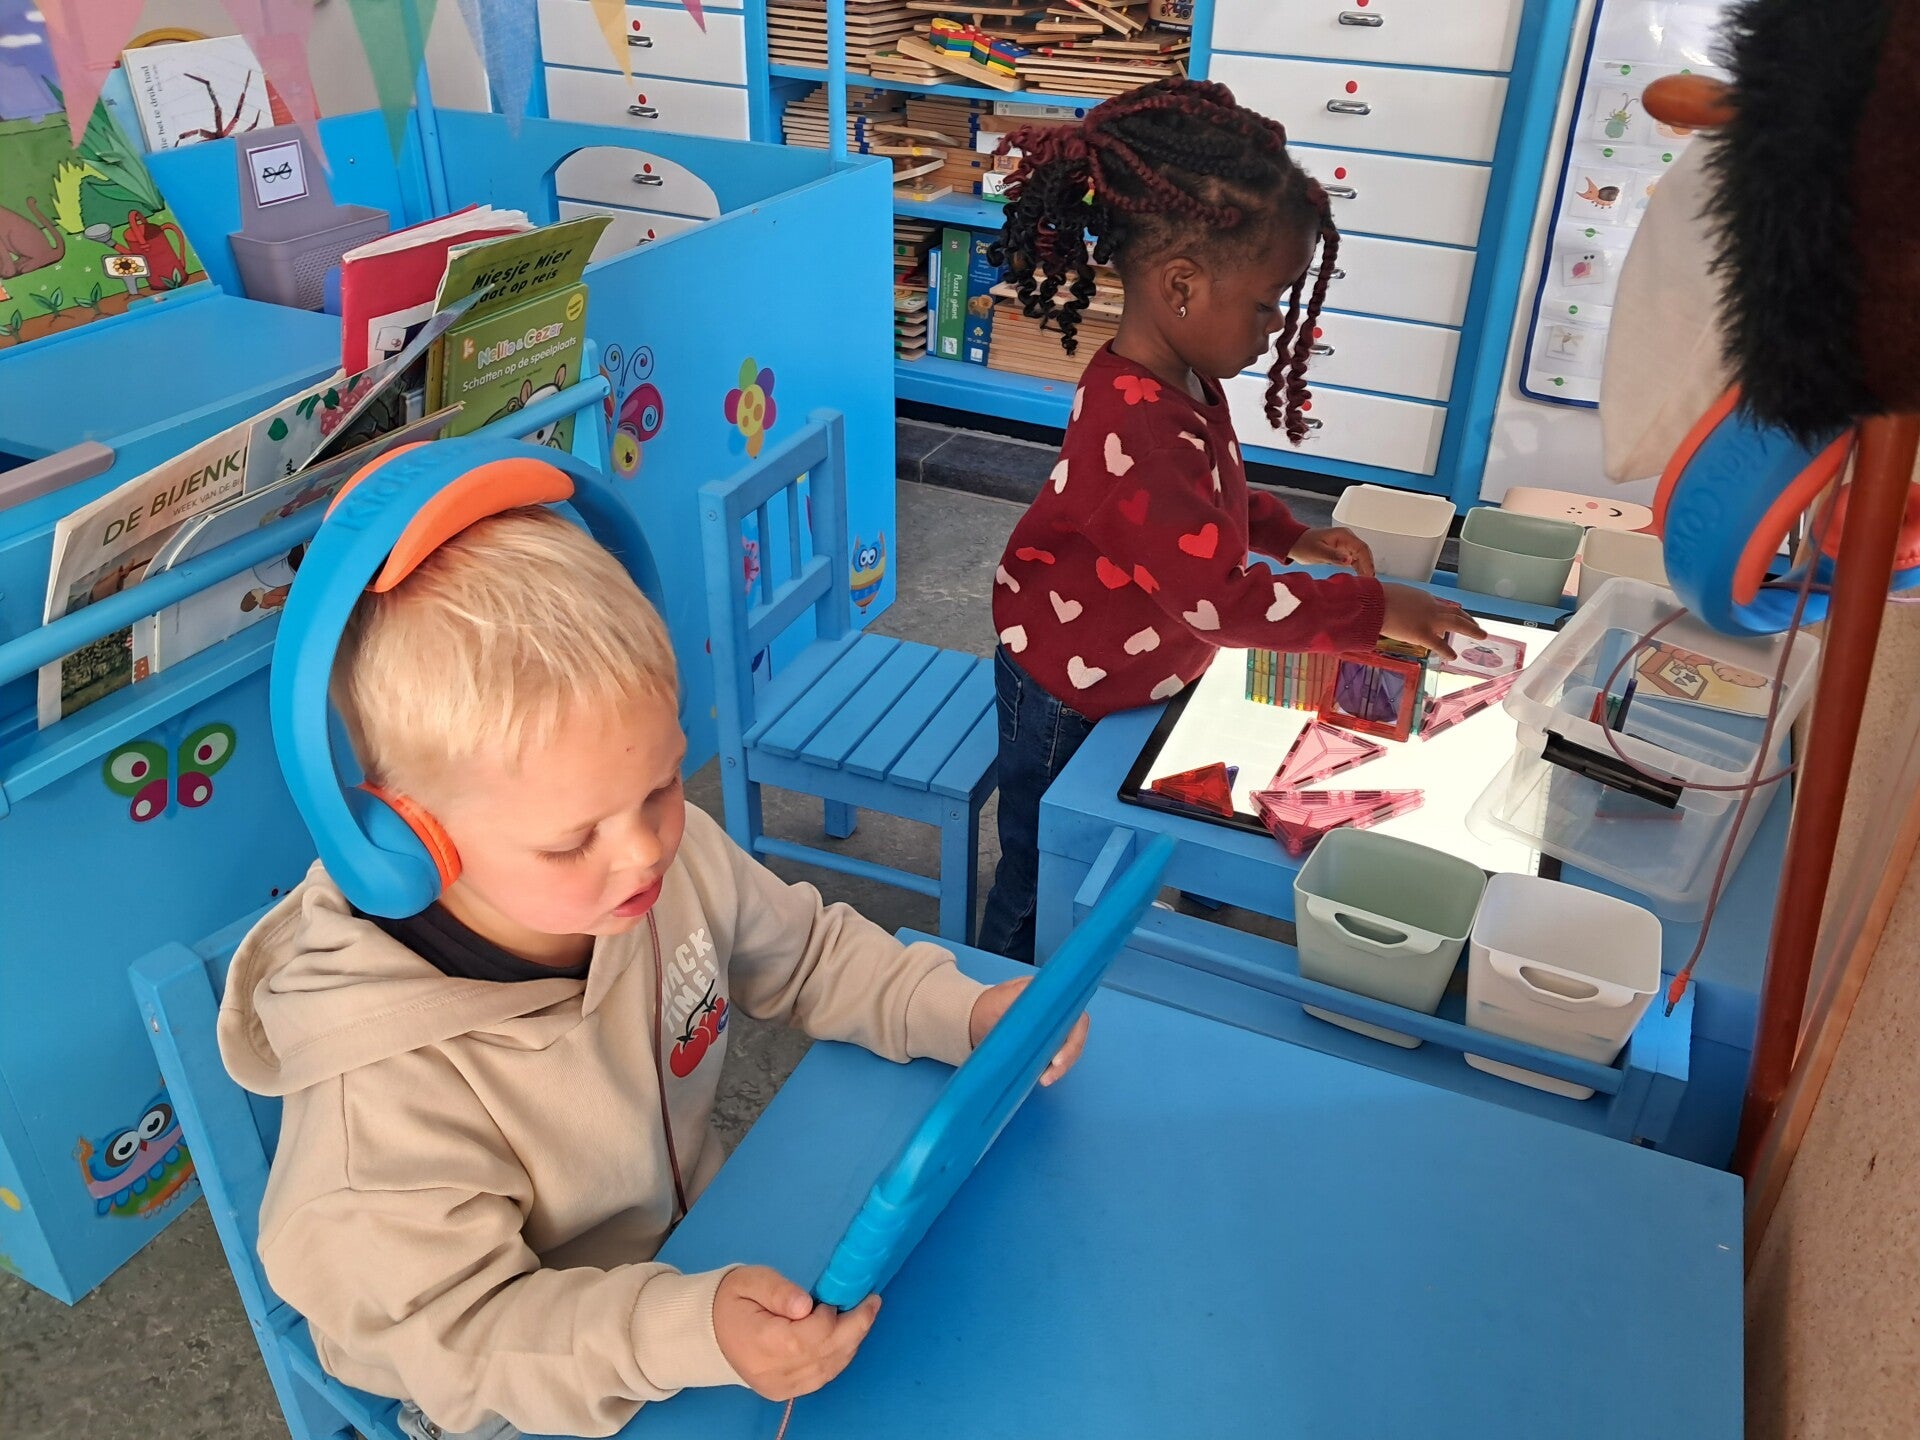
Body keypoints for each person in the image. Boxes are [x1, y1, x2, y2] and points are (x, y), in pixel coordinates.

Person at [218, 503, 1089, 1440]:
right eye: (572, 840)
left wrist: (960, 1010)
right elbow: (464, 1339)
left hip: (691, 1265)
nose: (645, 851)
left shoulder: (649, 866)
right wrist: (679, 1330)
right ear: (406, 841)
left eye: (663, 783)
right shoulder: (376, 1113)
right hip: (517, 1384)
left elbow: (807, 953)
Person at [977, 79, 1484, 963]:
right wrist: (1376, 611)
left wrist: (1289, 534)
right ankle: (1000, 987)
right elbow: (1219, 600)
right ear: (1181, 285)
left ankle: (1150, 901)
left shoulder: (1184, 381)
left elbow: (1208, 503)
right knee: (1041, 856)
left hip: (1143, 660)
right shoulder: (1139, 419)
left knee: (1138, 808)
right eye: (1266, 302)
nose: (1277, 324)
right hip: (1070, 685)